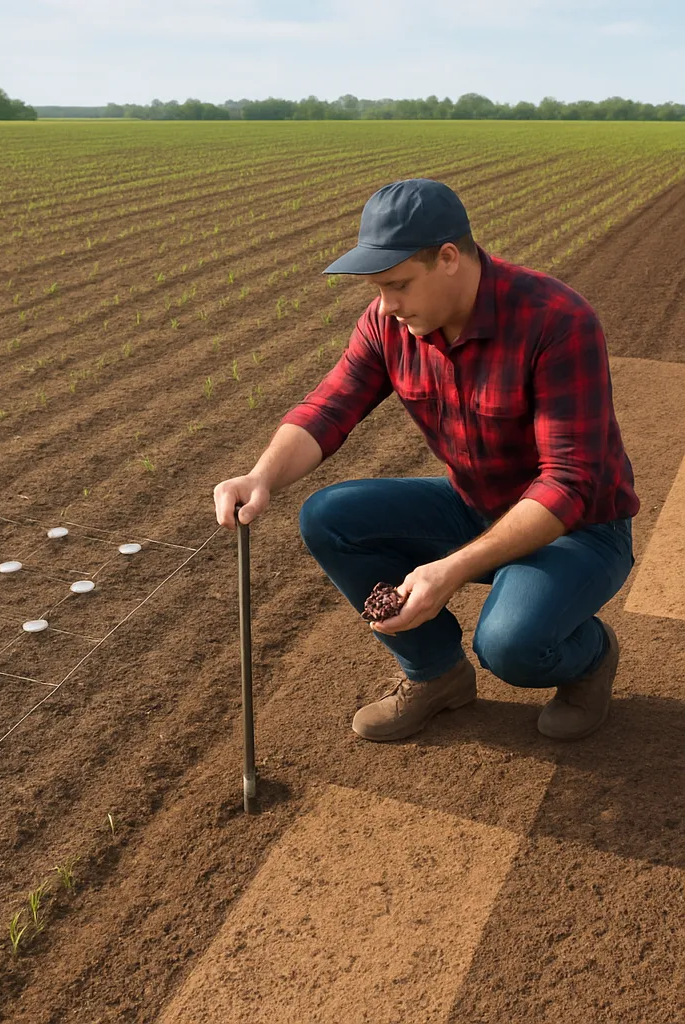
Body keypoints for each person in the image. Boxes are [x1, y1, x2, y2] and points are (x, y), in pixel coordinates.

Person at [213, 178, 638, 743]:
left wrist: (451, 570)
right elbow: (328, 406)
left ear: (449, 258)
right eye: (379, 289)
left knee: (510, 645)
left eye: (398, 285)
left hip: (579, 531)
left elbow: (569, 484)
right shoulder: (389, 323)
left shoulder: (555, 320)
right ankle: (436, 675)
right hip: (474, 505)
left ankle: (589, 656)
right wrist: (260, 475)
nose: (387, 306)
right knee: (330, 517)